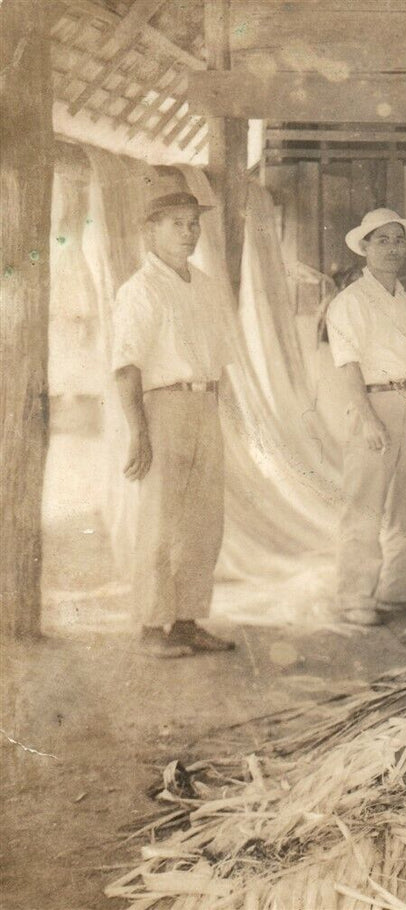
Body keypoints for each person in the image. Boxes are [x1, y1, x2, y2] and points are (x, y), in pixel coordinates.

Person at [111, 189, 236, 658]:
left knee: (204, 523)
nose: (188, 233)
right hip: (163, 408)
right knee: (161, 521)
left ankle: (185, 622)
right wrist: (138, 430)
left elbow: (217, 361)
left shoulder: (203, 286)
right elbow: (127, 366)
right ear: (151, 229)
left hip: (204, 406)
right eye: (176, 224)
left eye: (193, 223)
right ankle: (149, 628)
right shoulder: (139, 290)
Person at [325, 208, 406, 626]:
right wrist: (368, 419)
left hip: (404, 401)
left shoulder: (403, 300)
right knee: (364, 504)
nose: (393, 248)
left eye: (398, 240)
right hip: (369, 404)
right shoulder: (350, 303)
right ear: (364, 247)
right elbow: (348, 367)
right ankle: (352, 597)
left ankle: (403, 589)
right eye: (382, 240)